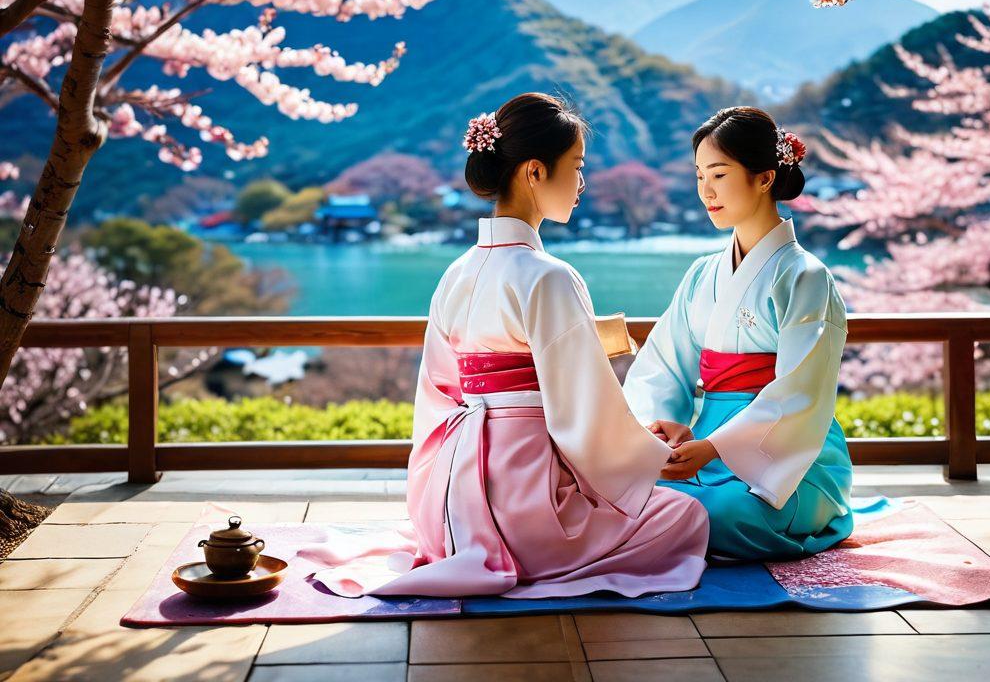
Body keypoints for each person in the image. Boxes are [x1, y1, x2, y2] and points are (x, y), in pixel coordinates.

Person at [301, 92, 709, 598]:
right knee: (684, 514)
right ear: (535, 172)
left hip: (450, 501)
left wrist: (439, 500)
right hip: (527, 500)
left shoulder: (457, 272)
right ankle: (534, 553)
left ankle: (463, 538)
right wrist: (651, 452)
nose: (582, 183)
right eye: (576, 166)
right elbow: (583, 412)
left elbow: (438, 391)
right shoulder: (548, 276)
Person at [623, 106, 854, 561]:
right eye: (698, 176)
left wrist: (714, 447)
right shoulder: (701, 274)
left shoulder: (805, 276)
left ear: (765, 178)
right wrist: (662, 430)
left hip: (789, 460)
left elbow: (799, 393)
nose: (705, 191)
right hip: (703, 448)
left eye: (719, 174)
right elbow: (663, 366)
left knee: (723, 513)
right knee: (628, 494)